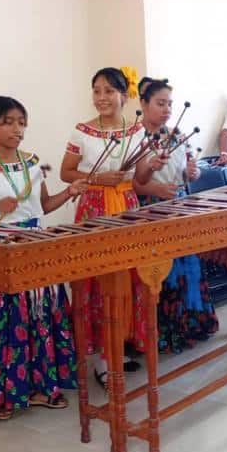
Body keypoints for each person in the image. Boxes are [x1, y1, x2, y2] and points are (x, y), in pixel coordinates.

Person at [0, 96, 88, 420]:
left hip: (34, 244)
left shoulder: (32, 162)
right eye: (8, 122)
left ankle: (42, 387)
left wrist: (69, 193)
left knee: (41, 316)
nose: (17, 129)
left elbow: (42, 207)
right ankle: (2, 393)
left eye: (21, 122)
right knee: (3, 322)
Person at [59, 66, 154, 388]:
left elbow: (140, 179)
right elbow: (66, 172)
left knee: (128, 278)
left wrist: (152, 165)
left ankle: (118, 347)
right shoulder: (81, 131)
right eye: (97, 91)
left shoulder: (138, 131)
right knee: (98, 281)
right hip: (94, 211)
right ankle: (101, 354)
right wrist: (97, 179)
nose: (102, 98)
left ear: (123, 96)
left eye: (109, 91)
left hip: (127, 208)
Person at [133, 77, 218, 353]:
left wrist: (193, 172)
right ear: (144, 104)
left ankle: (192, 324)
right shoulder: (134, 138)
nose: (167, 109)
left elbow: (191, 169)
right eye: (160, 103)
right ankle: (161, 334)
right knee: (160, 272)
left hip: (179, 206)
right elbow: (130, 180)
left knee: (187, 266)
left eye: (169, 103)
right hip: (148, 208)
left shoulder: (179, 135)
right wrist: (155, 187)